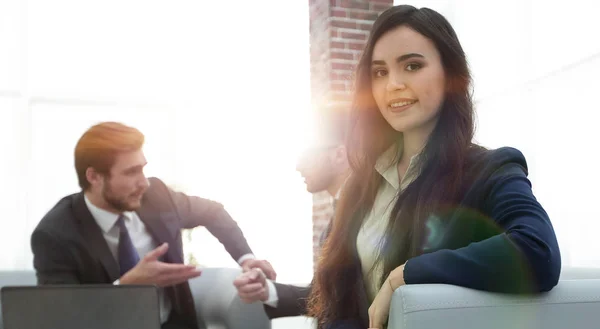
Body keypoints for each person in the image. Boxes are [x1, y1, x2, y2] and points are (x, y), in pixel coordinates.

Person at [305, 5, 562, 329]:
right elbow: (340, 296)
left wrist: (406, 274)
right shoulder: (361, 184)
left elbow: (538, 253)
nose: (393, 84)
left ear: (450, 76)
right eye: (380, 72)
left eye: (412, 66)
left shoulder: (489, 170)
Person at [30, 121, 276, 329]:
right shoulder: (54, 235)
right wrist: (126, 288)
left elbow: (213, 212)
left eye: (143, 170)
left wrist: (246, 259)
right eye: (131, 172)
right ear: (94, 177)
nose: (143, 183)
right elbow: (59, 317)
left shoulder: (156, 196)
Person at [233, 111, 351, 318]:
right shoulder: (339, 215)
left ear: (339, 155)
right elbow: (324, 297)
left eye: (307, 156)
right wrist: (266, 290)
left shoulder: (365, 214)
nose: (298, 167)